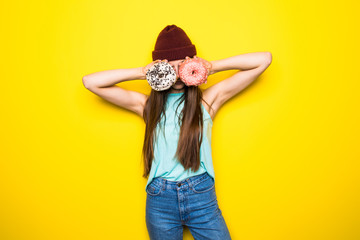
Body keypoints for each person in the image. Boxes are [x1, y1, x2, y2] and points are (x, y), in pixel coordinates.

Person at [82, 24, 272, 240]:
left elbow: (264, 59)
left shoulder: (207, 101)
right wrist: (142, 73)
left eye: (183, 65)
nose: (178, 73)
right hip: (160, 199)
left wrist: (212, 67)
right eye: (169, 67)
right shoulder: (147, 106)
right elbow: (90, 82)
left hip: (200, 194)